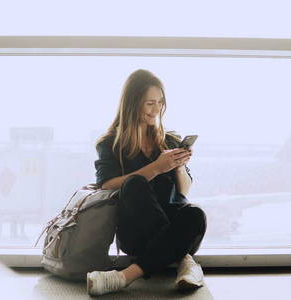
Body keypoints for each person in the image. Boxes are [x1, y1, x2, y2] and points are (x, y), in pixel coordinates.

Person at [87, 69, 207, 296]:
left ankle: (123, 277)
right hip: (138, 233)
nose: (157, 109)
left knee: (195, 214)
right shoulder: (111, 143)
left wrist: (178, 166)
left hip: (175, 228)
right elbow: (105, 185)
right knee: (134, 184)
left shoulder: (168, 140)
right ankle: (184, 260)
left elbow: (184, 192)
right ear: (133, 104)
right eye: (150, 103)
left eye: (160, 103)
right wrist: (155, 168)